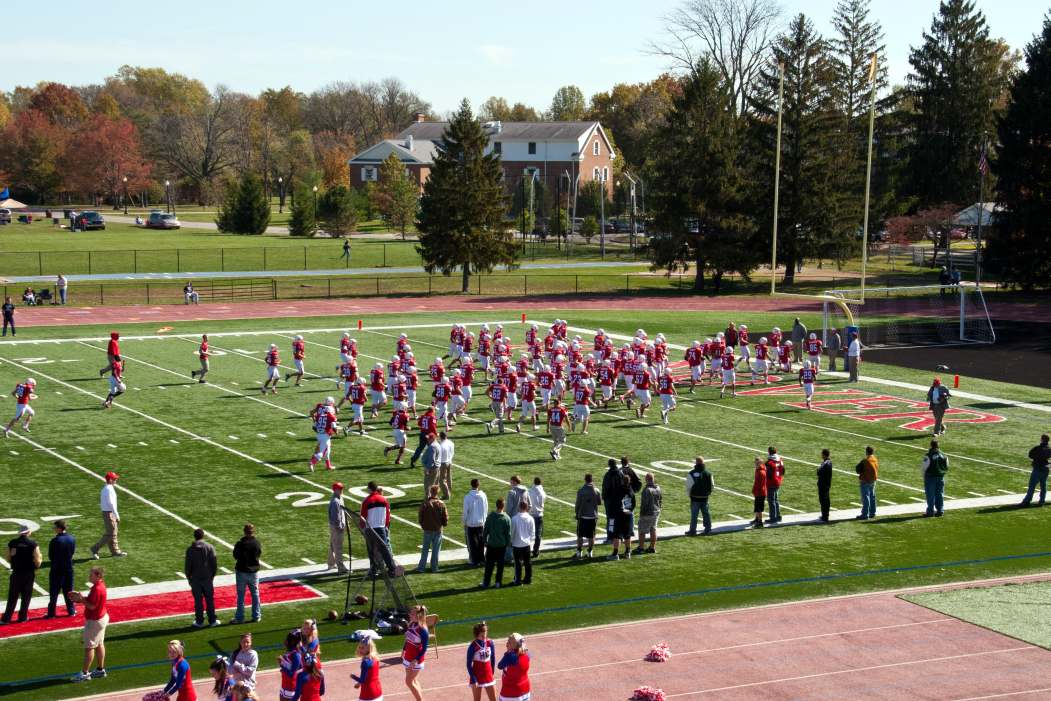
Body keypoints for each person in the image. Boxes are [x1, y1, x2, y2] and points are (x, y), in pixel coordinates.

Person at [70, 566, 108, 682]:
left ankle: (85, 673)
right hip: (101, 618)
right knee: (99, 644)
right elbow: (92, 601)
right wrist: (81, 598)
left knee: (89, 647)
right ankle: (100, 669)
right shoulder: (100, 586)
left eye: (91, 575)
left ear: (98, 576)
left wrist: (81, 600)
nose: (89, 576)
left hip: (94, 621)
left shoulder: (97, 589)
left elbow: (92, 606)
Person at [2, 525, 40, 624]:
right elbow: (38, 560)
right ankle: (22, 617)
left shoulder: (12, 543)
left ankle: (6, 618)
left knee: (12, 597)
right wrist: (36, 565)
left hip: (16, 573)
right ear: (28, 532)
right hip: (28, 574)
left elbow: (7, 557)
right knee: (26, 597)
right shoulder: (33, 544)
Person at [360, 482, 398, 577]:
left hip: (370, 528)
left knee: (371, 550)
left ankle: (373, 570)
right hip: (381, 528)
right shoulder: (384, 499)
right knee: (384, 550)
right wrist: (385, 526)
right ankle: (392, 569)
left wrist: (362, 527)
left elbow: (363, 516)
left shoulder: (367, 500)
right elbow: (388, 515)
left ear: (369, 489)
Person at [186, 528, 219, 628]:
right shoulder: (210, 547)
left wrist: (189, 578)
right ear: (203, 536)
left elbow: (188, 566)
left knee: (198, 601)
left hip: (195, 579)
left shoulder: (190, 549)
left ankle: (199, 621)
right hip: (207, 578)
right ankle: (212, 620)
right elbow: (214, 564)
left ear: (194, 536)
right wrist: (212, 575)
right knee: (209, 599)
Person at [90, 471, 127, 559]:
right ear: (110, 480)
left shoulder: (106, 488)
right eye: (114, 479)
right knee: (110, 533)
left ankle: (115, 551)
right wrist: (116, 514)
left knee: (113, 532)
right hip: (109, 512)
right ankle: (94, 549)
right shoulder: (109, 489)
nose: (116, 480)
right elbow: (111, 503)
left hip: (108, 512)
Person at [46, 519, 76, 618]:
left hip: (56, 569)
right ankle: (71, 611)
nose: (54, 529)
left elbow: (51, 556)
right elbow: (72, 552)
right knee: (69, 591)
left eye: (55, 527)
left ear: (59, 528)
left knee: (54, 593)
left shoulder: (55, 541)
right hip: (68, 568)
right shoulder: (72, 538)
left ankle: (51, 613)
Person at [232, 524, 262, 623]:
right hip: (253, 572)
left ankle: (240, 617)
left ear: (244, 532)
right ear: (253, 532)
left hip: (241, 572)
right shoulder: (257, 543)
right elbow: (258, 554)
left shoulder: (240, 544)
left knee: (241, 595)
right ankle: (256, 616)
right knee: (255, 594)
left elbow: (235, 556)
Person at [417, 485, 448, 573]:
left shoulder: (425, 503)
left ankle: (421, 567)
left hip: (427, 529)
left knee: (425, 549)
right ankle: (434, 567)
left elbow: (420, 515)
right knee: (436, 550)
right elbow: (445, 517)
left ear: (431, 492)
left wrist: (422, 525)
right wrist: (443, 524)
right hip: (437, 530)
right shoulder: (441, 503)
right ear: (438, 492)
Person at [481, 498, 511, 589]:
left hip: (491, 545)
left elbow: (485, 530)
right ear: (503, 506)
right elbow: (508, 534)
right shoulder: (506, 518)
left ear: (496, 505)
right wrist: (507, 543)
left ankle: (486, 582)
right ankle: (498, 582)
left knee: (489, 565)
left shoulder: (490, 516)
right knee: (500, 565)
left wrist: (485, 541)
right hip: (501, 546)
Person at [402, 604, 430, 700]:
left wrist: (416, 660)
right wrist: (403, 650)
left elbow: (425, 648)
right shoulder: (412, 624)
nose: (410, 614)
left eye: (412, 613)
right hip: (408, 657)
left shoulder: (423, 630)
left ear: (419, 615)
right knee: (413, 680)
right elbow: (408, 639)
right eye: (410, 612)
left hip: (415, 659)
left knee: (408, 682)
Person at [467, 621, 498, 701]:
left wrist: (492, 672)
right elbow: (468, 664)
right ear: (477, 634)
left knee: (493, 699)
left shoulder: (490, 643)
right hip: (477, 675)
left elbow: (493, 658)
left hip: (488, 674)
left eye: (485, 632)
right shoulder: (473, 646)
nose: (484, 635)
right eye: (482, 633)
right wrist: (474, 679)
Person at [608, 474, 635, 560]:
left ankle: (615, 554)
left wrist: (612, 513)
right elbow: (634, 504)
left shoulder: (618, 490)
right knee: (627, 535)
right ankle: (628, 553)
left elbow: (613, 503)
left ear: (622, 481)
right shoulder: (631, 491)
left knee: (617, 535)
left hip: (619, 515)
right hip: (628, 515)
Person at [574, 473, 602, 558]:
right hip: (593, 516)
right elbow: (599, 502)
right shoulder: (596, 490)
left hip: (582, 516)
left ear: (585, 479)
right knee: (591, 536)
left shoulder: (581, 490)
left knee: (580, 535)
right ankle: (590, 552)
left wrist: (576, 513)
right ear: (592, 480)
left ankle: (579, 552)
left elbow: (577, 504)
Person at [497, 633, 531, 701]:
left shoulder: (509, 656)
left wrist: (507, 653)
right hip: (525, 690)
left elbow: (499, 666)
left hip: (510, 693)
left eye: (509, 642)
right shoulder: (527, 654)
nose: (507, 644)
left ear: (514, 645)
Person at [685, 457, 714, 536]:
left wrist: (690, 496)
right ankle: (708, 529)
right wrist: (708, 494)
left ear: (696, 463)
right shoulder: (708, 474)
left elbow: (688, 487)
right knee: (706, 514)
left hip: (695, 498)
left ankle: (692, 530)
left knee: (694, 515)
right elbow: (712, 486)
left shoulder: (691, 473)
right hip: (705, 498)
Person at [634, 473, 662, 554]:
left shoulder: (646, 490)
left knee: (642, 530)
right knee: (653, 529)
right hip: (656, 511)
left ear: (646, 479)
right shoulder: (658, 488)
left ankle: (641, 547)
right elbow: (660, 500)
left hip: (647, 513)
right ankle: (652, 547)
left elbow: (644, 504)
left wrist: (641, 514)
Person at [463, 479, 488, 566]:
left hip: (471, 523)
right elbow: (486, 508)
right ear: (478, 485)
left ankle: (474, 560)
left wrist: (464, 521)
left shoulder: (467, 497)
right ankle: (482, 559)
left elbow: (466, 511)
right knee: (481, 542)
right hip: (481, 522)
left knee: (472, 543)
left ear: (471, 485)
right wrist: (484, 520)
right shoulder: (483, 495)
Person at [1020, 434, 1051, 507]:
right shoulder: (1049, 449)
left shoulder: (1038, 448)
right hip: (1045, 469)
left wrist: (1036, 458)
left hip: (1037, 469)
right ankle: (1041, 501)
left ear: (1042, 440)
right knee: (1043, 486)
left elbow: (1030, 455)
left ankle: (1027, 501)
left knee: (1032, 486)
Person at [922, 440, 949, 517]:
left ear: (931, 446)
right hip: (940, 477)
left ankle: (930, 512)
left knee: (930, 495)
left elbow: (924, 468)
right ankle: (940, 510)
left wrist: (924, 476)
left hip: (930, 477)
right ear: (938, 446)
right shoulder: (944, 455)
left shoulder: (928, 456)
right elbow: (947, 466)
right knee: (940, 494)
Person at [510, 501, 535, 585]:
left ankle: (517, 580)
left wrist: (511, 541)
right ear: (526, 507)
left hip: (517, 544)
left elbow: (512, 532)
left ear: (519, 507)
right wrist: (530, 541)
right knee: (528, 562)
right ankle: (528, 578)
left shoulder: (514, 518)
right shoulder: (530, 518)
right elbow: (532, 533)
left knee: (518, 563)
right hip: (527, 544)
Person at [351, 636, 383, 701]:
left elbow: (363, 680)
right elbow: (368, 676)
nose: (360, 649)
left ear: (368, 648)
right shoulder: (375, 659)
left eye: (362, 648)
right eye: (359, 647)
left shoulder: (365, 662)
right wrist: (358, 684)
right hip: (378, 691)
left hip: (368, 694)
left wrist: (353, 676)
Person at [327, 483, 348, 574]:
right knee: (338, 547)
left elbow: (343, 512)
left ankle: (331, 563)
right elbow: (335, 518)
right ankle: (341, 567)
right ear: (335, 490)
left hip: (337, 526)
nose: (341, 490)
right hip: (337, 527)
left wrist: (346, 523)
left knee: (333, 544)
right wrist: (340, 527)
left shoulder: (340, 498)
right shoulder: (335, 501)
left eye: (341, 488)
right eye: (339, 489)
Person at [278, 629, 304, 701]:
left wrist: (282, 665)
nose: (285, 641)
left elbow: (292, 674)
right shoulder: (290, 651)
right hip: (284, 685)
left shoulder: (296, 655)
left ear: (292, 642)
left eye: (287, 639)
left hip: (290, 688)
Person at [855, 446, 879, 520]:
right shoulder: (875, 459)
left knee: (866, 497)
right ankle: (872, 512)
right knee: (872, 496)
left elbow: (857, 469)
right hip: (873, 480)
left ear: (867, 452)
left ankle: (865, 514)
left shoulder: (865, 460)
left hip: (865, 480)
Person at [765, 447, 785, 524]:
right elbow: (783, 471)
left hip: (771, 482)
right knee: (776, 499)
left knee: (771, 500)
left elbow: (768, 474)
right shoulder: (780, 460)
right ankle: (778, 516)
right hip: (778, 481)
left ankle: (773, 517)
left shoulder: (769, 463)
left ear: (769, 452)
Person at [528, 477, 546, 558]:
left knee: (527, 534)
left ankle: (526, 550)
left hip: (530, 515)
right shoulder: (543, 492)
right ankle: (536, 551)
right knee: (538, 534)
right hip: (539, 515)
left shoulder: (530, 491)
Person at [437, 430, 455, 500]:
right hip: (449, 461)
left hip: (443, 463)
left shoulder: (441, 445)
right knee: (449, 477)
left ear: (440, 437)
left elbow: (439, 457)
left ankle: (446, 495)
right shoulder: (451, 442)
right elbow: (452, 452)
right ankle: (449, 491)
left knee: (441, 480)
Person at [751, 457, 767, 529]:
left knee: (759, 508)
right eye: (755, 463)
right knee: (756, 507)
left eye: (757, 463)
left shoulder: (761, 472)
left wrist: (755, 490)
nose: (755, 464)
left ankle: (760, 522)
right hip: (758, 492)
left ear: (760, 463)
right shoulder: (758, 470)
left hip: (760, 492)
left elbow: (759, 484)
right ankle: (757, 519)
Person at [817, 449, 833, 522]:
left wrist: (819, 468)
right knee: (825, 500)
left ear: (824, 454)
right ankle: (825, 515)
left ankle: (825, 516)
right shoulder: (828, 462)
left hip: (823, 484)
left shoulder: (826, 463)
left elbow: (819, 472)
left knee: (823, 500)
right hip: (826, 484)